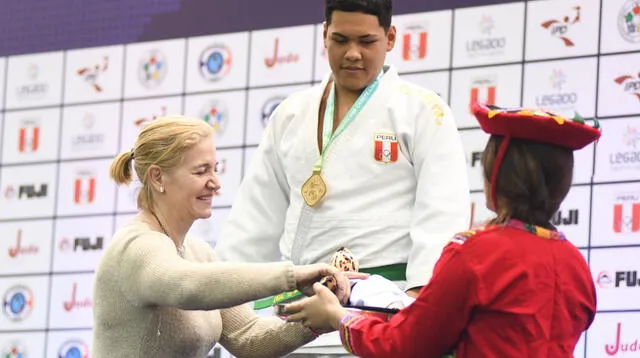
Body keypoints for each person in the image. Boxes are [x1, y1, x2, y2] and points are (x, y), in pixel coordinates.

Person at [281, 102, 601, 358]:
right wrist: (374, 290)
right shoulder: (575, 264)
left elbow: (408, 345)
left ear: (497, 176)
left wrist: (337, 317)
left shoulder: (477, 251)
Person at [217, 0, 469, 317]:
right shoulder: (292, 113)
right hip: (299, 305)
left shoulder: (423, 111)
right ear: (325, 35)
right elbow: (254, 216)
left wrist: (419, 302)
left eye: (366, 41)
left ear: (390, 38)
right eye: (340, 40)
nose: (352, 53)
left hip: (382, 303)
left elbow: (442, 213)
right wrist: (227, 300)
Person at [92, 116, 354, 358]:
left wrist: (318, 319)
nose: (216, 183)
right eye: (201, 171)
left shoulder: (199, 252)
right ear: (157, 176)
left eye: (215, 169)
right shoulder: (136, 246)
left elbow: (248, 337)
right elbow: (188, 286)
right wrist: (292, 276)